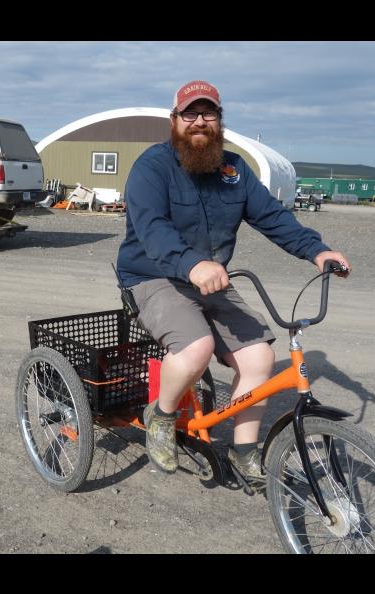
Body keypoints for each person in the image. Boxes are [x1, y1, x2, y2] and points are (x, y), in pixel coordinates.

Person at [116, 80, 351, 480]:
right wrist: (191, 264)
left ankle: (244, 450)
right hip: (153, 276)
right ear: (174, 120)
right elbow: (152, 228)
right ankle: (160, 415)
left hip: (210, 279)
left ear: (219, 121)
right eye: (190, 113)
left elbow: (273, 217)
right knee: (196, 348)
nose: (199, 122)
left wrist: (317, 250)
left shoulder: (234, 170)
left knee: (259, 357)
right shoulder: (152, 167)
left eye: (208, 114)